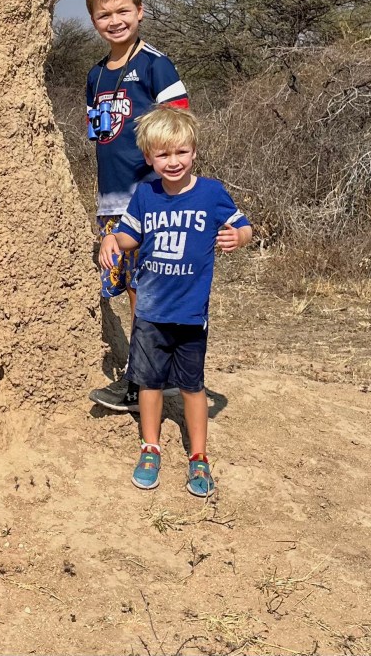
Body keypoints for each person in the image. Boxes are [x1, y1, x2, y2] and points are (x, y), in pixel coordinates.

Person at [99, 106, 251, 496]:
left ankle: (198, 456)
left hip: (190, 313)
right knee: (148, 384)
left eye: (181, 152)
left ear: (194, 151)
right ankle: (150, 448)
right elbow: (131, 236)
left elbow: (243, 226)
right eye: (163, 154)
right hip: (151, 311)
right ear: (149, 157)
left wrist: (239, 237)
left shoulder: (211, 193)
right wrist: (111, 238)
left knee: (192, 386)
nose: (173, 161)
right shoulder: (145, 195)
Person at [85, 0, 189, 413]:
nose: (115, 21)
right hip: (111, 200)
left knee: (149, 288)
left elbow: (180, 125)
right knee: (131, 288)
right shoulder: (95, 75)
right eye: (104, 14)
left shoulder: (154, 64)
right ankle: (154, 373)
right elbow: (100, 135)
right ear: (94, 20)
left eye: (123, 11)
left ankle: (143, 378)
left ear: (140, 11)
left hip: (150, 197)